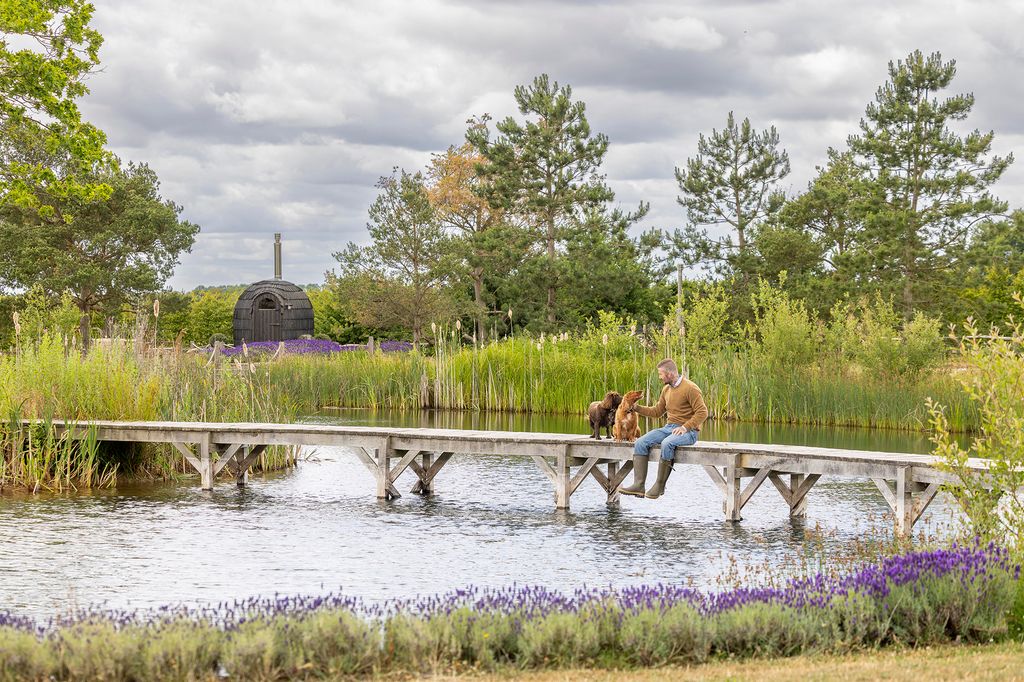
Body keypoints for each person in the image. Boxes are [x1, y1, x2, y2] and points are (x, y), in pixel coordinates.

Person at [618, 358, 708, 499]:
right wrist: (635, 407)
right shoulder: (666, 389)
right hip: (669, 428)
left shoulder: (690, 388)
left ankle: (660, 486)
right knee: (641, 442)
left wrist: (685, 427)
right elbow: (657, 411)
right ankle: (639, 485)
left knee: (667, 443)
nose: (659, 377)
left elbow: (703, 412)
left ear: (670, 373)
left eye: (661, 374)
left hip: (689, 432)